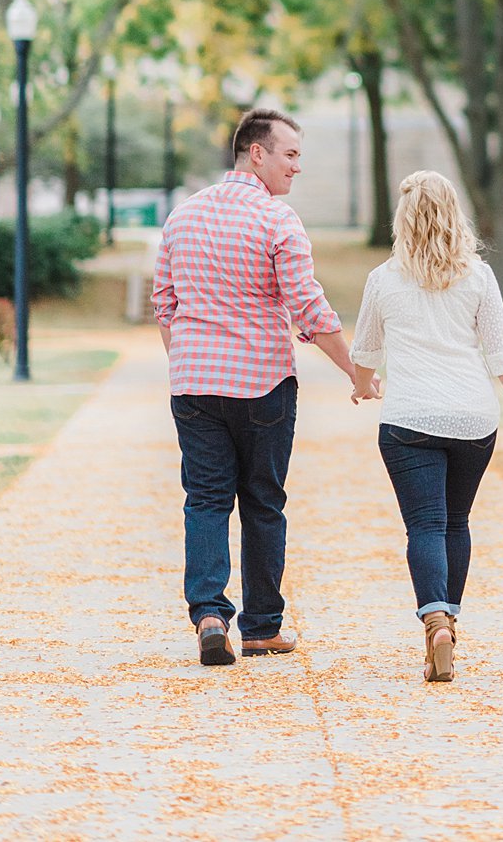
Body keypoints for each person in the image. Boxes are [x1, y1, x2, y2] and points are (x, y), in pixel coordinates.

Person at [153, 107, 373, 666]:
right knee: (262, 503)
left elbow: (165, 304)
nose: (297, 167)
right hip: (262, 385)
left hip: (194, 385)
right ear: (258, 153)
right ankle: (260, 628)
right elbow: (310, 308)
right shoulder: (279, 222)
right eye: (291, 154)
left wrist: (188, 362)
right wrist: (357, 372)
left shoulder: (182, 217)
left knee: (204, 499)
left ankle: (208, 614)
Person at [349, 170, 503, 683]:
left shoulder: (384, 278)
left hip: (409, 418)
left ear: (403, 217)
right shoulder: (478, 276)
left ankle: (433, 617)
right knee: (455, 522)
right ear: (454, 214)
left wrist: (363, 384)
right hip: (472, 419)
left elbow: (366, 350)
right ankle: (450, 622)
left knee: (425, 525)